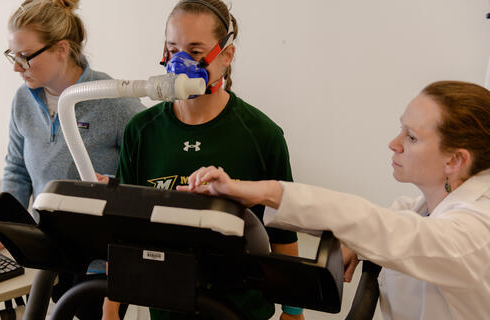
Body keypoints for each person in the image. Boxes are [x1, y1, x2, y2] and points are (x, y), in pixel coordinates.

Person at [178, 80, 490, 320]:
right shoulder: (432, 204)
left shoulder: (474, 234)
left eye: (411, 137)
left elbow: (392, 229)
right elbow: (399, 217)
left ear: (454, 160)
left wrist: (262, 191)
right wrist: (360, 240)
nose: (394, 143)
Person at [103, 1, 304, 319]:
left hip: (240, 311)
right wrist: (110, 309)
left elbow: (283, 233)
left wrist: (293, 311)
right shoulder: (142, 131)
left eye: (196, 52)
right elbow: (125, 231)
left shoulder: (261, 135)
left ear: (226, 55)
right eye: (172, 49)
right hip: (167, 307)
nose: (180, 63)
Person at [0, 0, 144, 318]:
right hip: (50, 244)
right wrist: (5, 224)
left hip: (100, 258)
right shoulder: (23, 99)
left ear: (61, 48)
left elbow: (145, 174)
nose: (16, 67)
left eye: (25, 57)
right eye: (12, 55)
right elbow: (17, 168)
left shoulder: (113, 101)